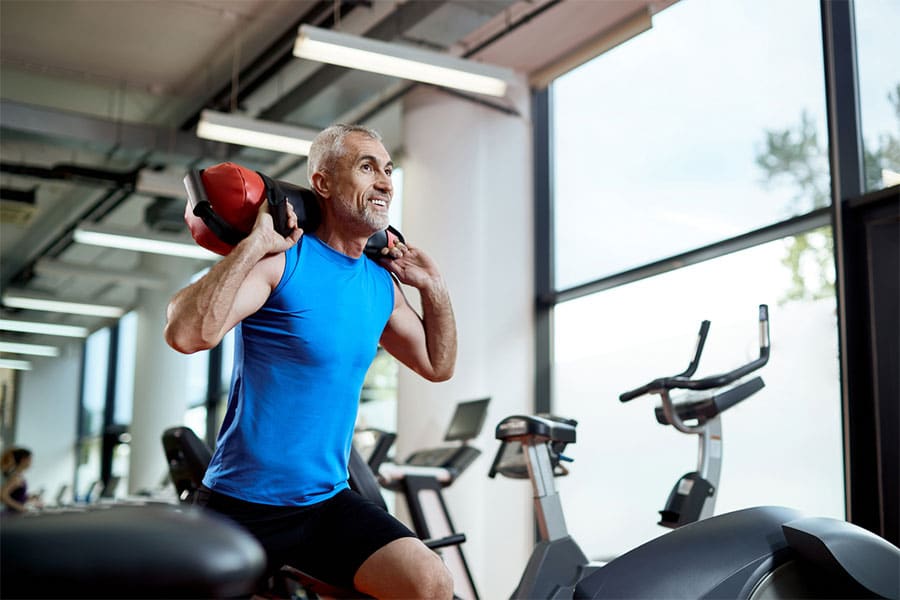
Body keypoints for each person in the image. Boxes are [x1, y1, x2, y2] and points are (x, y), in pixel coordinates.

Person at [164, 123, 457, 599]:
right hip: (239, 505)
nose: (385, 180)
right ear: (321, 183)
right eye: (366, 167)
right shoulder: (284, 260)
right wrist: (255, 245)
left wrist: (434, 288)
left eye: (387, 169)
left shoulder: (381, 285)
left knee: (429, 582)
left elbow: (437, 364)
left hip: (326, 504)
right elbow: (185, 333)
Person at [1, 446, 37, 514]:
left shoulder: (18, 476)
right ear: (23, 460)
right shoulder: (16, 478)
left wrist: (28, 497)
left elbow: (16, 496)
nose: (31, 462)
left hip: (13, 514)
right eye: (30, 459)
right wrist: (20, 507)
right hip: (11, 515)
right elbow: (2, 495)